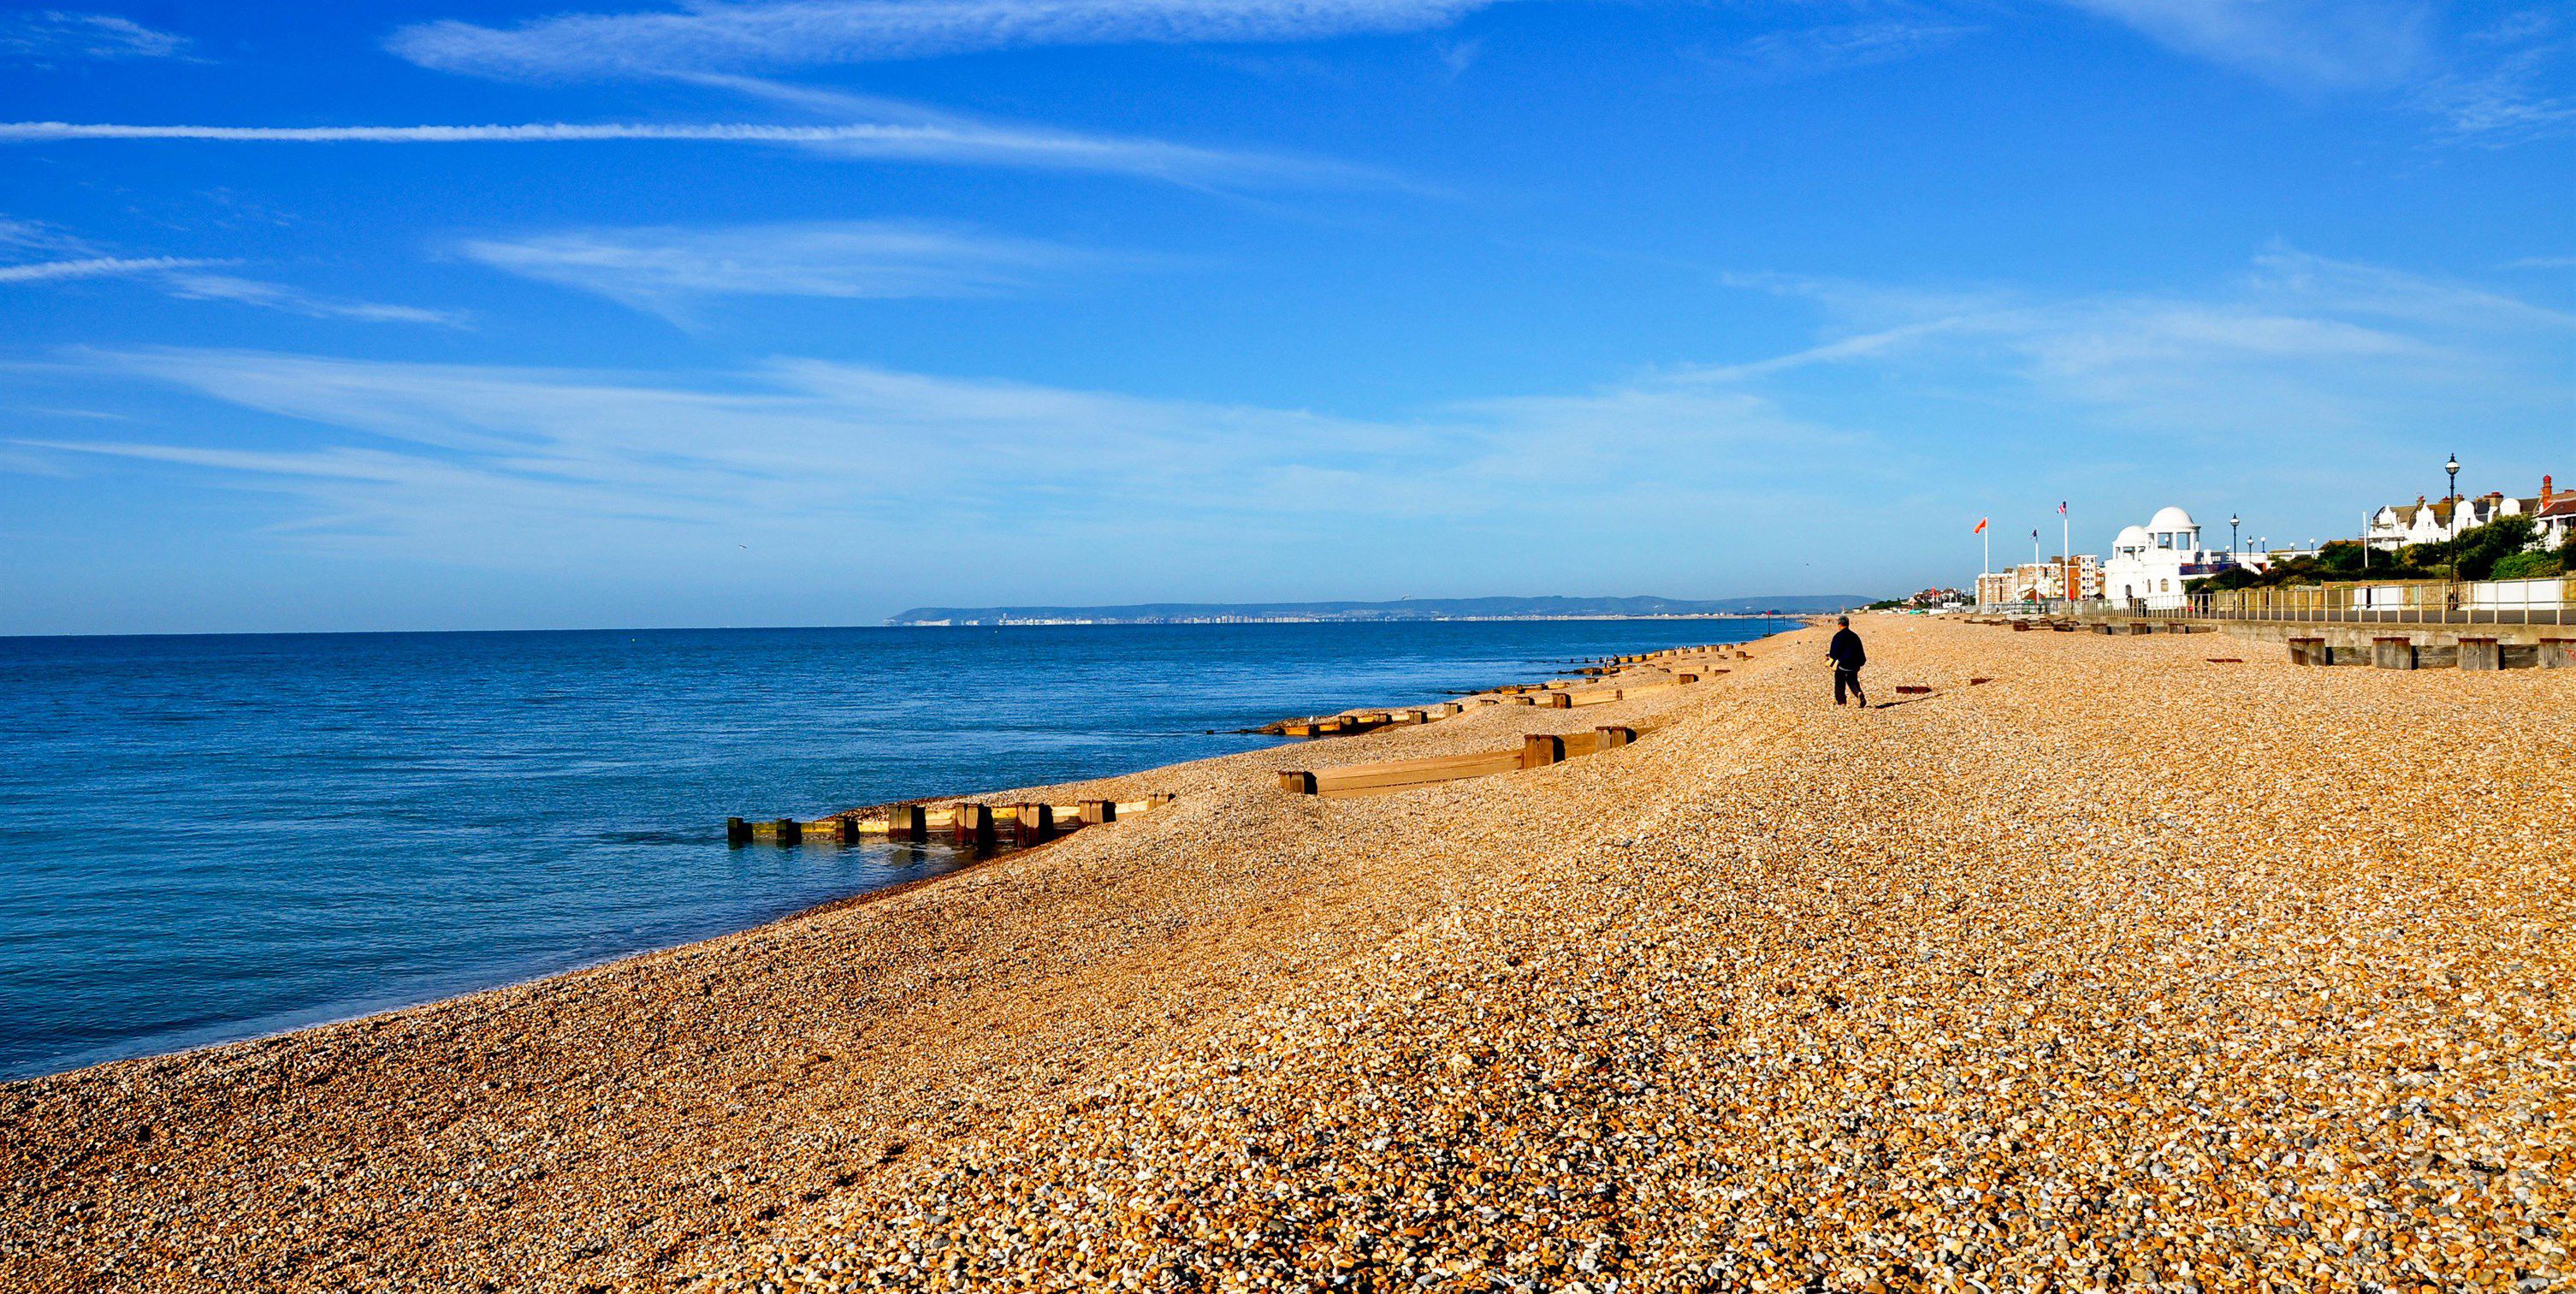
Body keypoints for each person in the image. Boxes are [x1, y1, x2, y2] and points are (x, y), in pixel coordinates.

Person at [1826, 615, 1868, 707]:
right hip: (1855, 665)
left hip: (1843, 664)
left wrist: (1829, 657)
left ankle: (1841, 702)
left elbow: (1834, 653)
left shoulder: (1838, 636)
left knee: (1839, 683)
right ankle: (1859, 693)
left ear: (1840, 625)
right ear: (1848, 624)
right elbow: (1860, 650)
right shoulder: (1855, 636)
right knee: (1852, 681)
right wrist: (1861, 662)